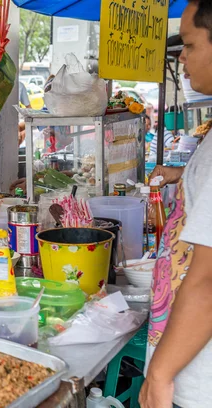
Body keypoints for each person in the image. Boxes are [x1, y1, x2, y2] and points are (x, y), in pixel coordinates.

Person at [140, 1, 212, 407]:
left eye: (189, 44)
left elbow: (208, 281)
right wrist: (184, 175)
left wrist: (161, 373)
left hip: (198, 378)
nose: (181, 56)